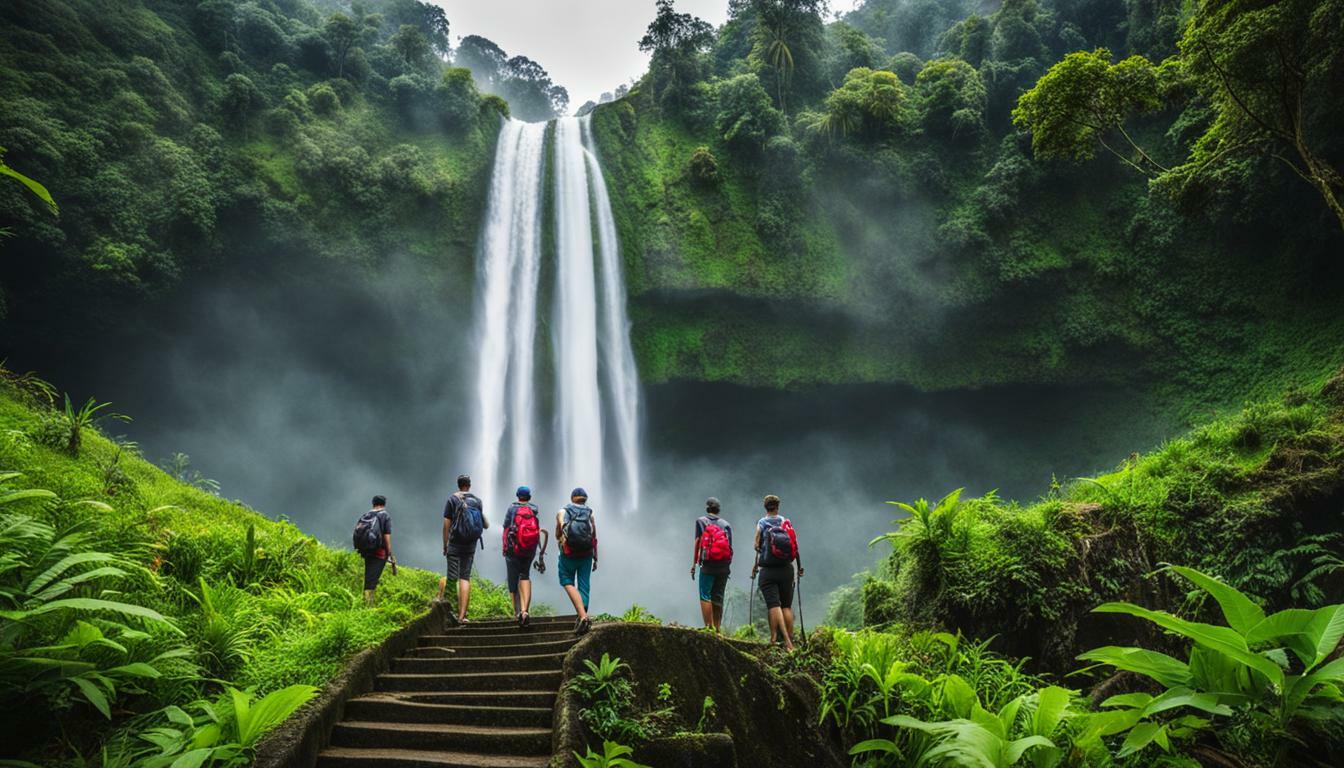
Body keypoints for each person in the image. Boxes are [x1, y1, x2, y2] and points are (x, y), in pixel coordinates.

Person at [752, 494, 804, 651]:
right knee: (786, 606)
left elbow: (756, 546)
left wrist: (756, 563)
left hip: (768, 570)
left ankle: (778, 639)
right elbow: (794, 545)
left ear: (765, 507)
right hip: (787, 569)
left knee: (773, 605)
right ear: (777, 507)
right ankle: (789, 639)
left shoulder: (762, 523)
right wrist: (799, 567)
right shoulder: (784, 522)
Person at [438, 474, 488, 625]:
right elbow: (484, 524)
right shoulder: (477, 501)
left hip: (455, 543)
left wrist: (445, 544)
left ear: (458, 485)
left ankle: (448, 613)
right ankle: (462, 616)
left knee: (452, 577)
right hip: (470, 544)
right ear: (469, 485)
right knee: (465, 577)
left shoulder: (452, 499)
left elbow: (446, 524)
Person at [502, 485, 549, 628]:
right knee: (525, 576)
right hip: (529, 548)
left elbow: (506, 528)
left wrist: (505, 547)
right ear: (529, 497)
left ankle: (517, 613)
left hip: (513, 548)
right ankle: (525, 611)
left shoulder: (511, 508)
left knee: (513, 579)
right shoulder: (534, 509)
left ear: (517, 495)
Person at [555, 487, 597, 635]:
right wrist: (595, 557)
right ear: (585, 499)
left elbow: (558, 533)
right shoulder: (590, 513)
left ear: (572, 498)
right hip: (586, 554)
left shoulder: (563, 512)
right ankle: (582, 615)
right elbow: (593, 536)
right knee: (584, 585)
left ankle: (583, 617)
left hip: (568, 553)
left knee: (567, 581)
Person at [691, 497, 732, 633]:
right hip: (724, 566)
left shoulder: (701, 521)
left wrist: (694, 563)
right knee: (718, 596)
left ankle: (709, 627)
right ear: (718, 510)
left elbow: (697, 542)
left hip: (708, 564)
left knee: (705, 594)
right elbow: (730, 548)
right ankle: (718, 629)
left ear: (707, 508)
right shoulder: (726, 524)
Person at [356, 495, 395, 605]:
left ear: (373, 503)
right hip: (379, 553)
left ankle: (368, 603)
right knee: (371, 581)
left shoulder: (367, 515)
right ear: (384, 504)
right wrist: (389, 554)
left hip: (367, 551)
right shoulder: (384, 515)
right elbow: (387, 536)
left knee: (369, 577)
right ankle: (368, 606)